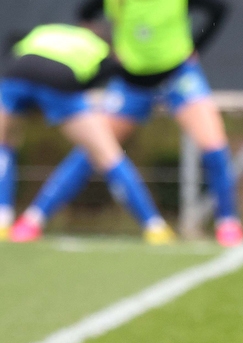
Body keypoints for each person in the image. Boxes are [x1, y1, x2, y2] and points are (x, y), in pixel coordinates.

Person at [12, 0, 243, 246]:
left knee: (214, 144)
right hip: (131, 82)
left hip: (178, 76)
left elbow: (220, 7)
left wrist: (196, 45)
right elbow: (85, 12)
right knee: (94, 148)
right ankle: (34, 219)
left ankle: (228, 223)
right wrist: (107, 47)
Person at [0, 23, 175, 243]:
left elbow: (14, 49)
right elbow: (87, 82)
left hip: (16, 74)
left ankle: (2, 220)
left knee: (4, 143)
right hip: (60, 80)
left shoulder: (48, 30)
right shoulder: (101, 49)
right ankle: (154, 226)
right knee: (108, 153)